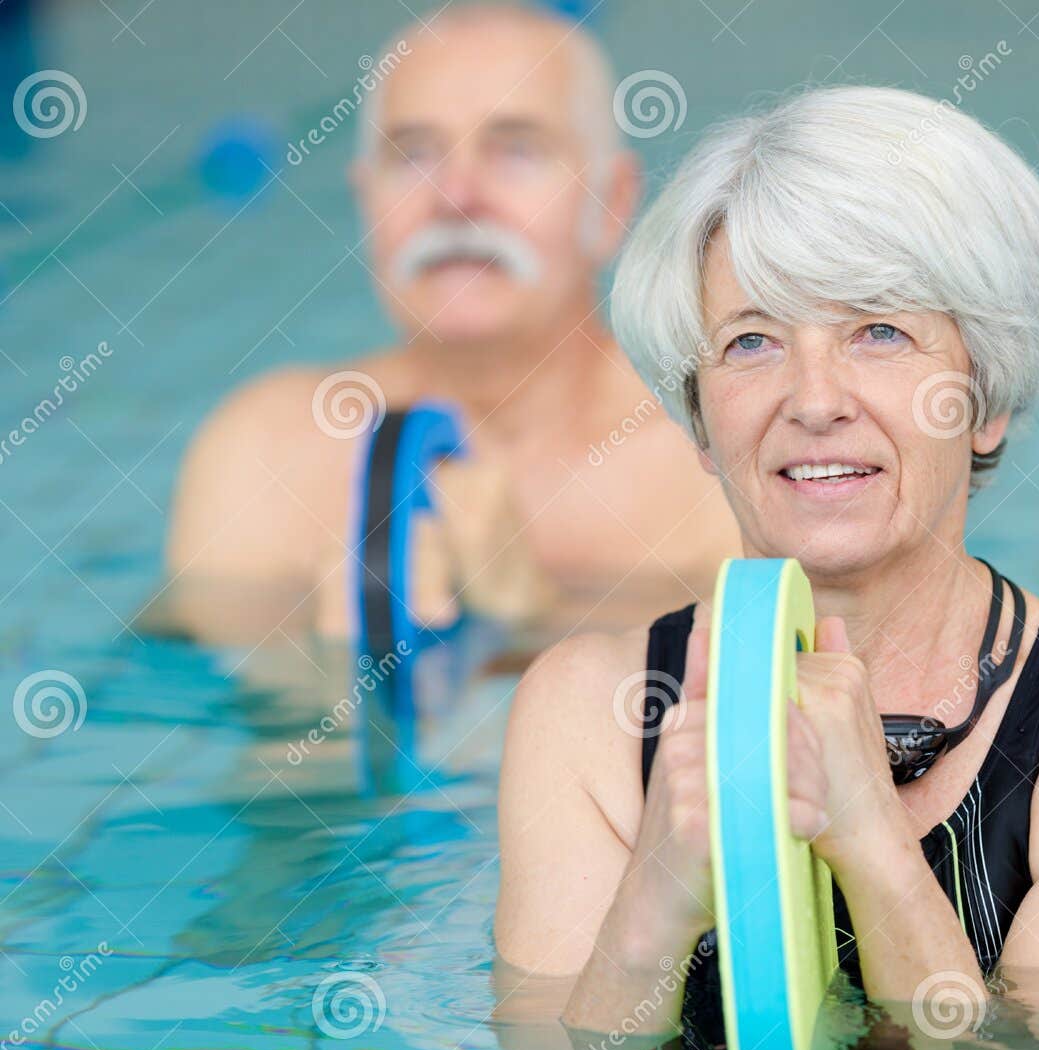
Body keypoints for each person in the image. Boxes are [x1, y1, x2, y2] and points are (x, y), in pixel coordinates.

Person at [493, 85, 1039, 1050]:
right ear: (702, 424)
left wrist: (871, 839)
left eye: (878, 331)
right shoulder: (590, 711)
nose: (814, 399)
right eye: (751, 340)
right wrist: (657, 890)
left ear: (986, 398)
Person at [163, 4, 738, 643]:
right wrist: (339, 672)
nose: (455, 195)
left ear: (612, 204)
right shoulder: (264, 453)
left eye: (517, 149)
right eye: (413, 155)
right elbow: (219, 718)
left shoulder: (715, 464)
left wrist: (525, 618)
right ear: (366, 204)